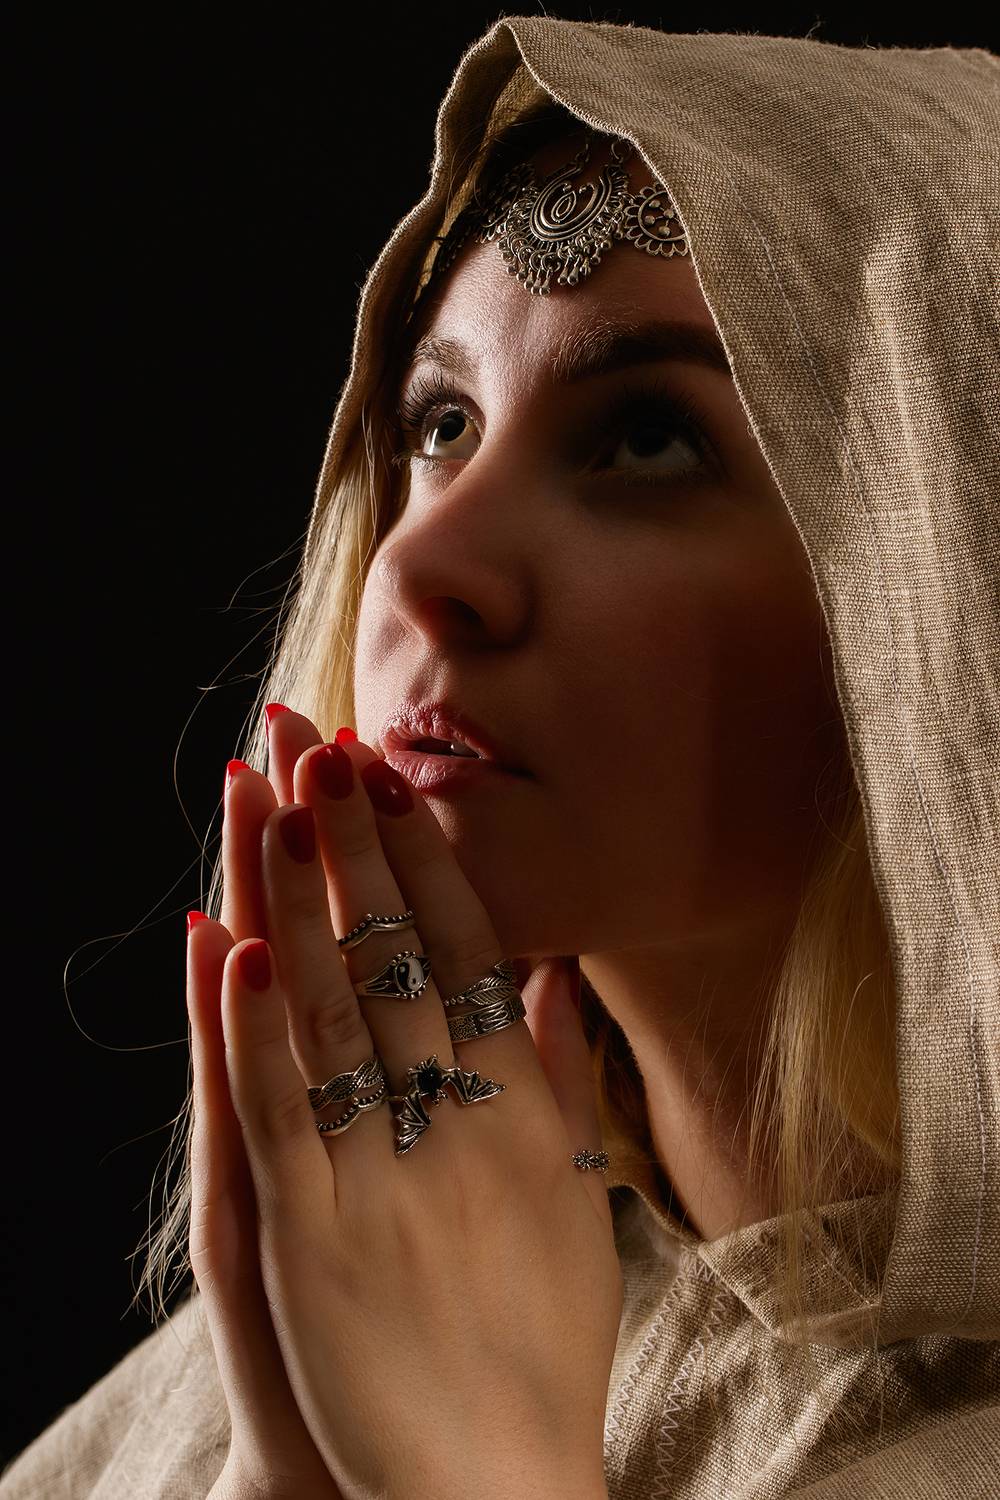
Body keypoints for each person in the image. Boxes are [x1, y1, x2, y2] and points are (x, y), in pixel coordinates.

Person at [3, 16, 997, 1500]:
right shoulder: (272, 1360)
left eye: (647, 440)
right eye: (443, 423)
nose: (417, 566)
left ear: (943, 579)